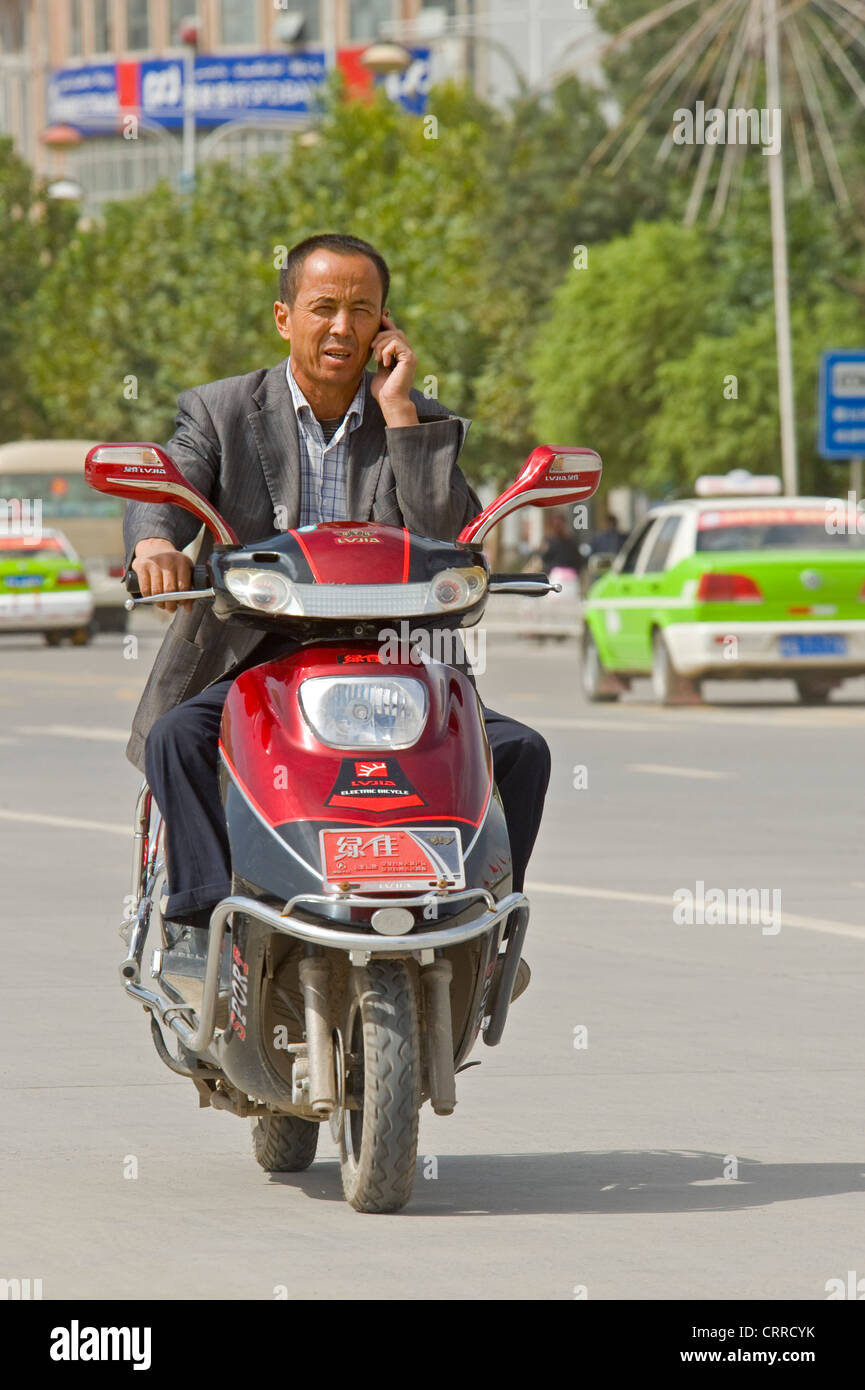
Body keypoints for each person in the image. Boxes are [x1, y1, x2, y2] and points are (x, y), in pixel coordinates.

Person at [124, 233, 549, 994]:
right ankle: (195, 929)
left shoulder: (419, 420)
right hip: (251, 655)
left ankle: (484, 933)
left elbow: (450, 534)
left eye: (361, 310)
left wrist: (400, 415)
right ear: (284, 317)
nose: (341, 328)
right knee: (178, 735)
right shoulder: (222, 410)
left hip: (394, 658)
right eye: (323, 308)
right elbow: (168, 486)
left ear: (386, 324)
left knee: (519, 751)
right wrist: (156, 541)